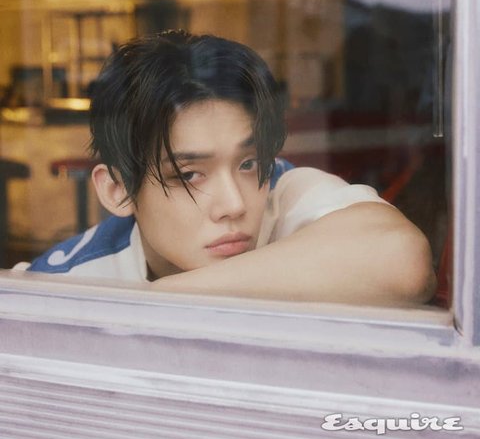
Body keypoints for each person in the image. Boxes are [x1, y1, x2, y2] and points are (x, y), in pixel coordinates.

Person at [15, 30, 436, 305]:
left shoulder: (286, 191)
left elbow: (404, 262)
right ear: (118, 190)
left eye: (247, 162)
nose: (235, 204)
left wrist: (159, 299)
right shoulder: (67, 282)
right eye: (189, 174)